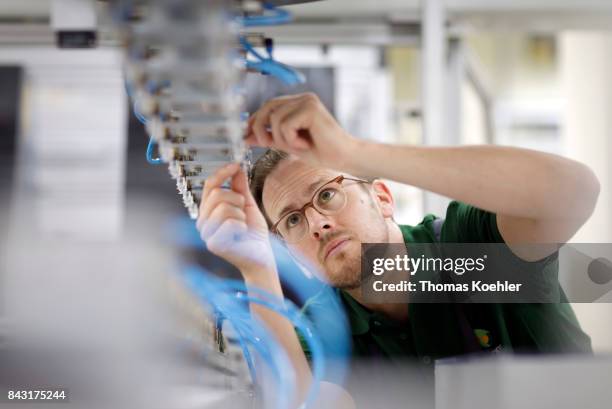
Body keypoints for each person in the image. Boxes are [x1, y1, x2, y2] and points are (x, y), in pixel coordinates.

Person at [196, 92, 600, 407]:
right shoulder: (319, 330)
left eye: (329, 194)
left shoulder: (474, 250)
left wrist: (354, 154)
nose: (317, 223)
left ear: (383, 198)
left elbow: (573, 192)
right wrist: (257, 270)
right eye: (293, 221)